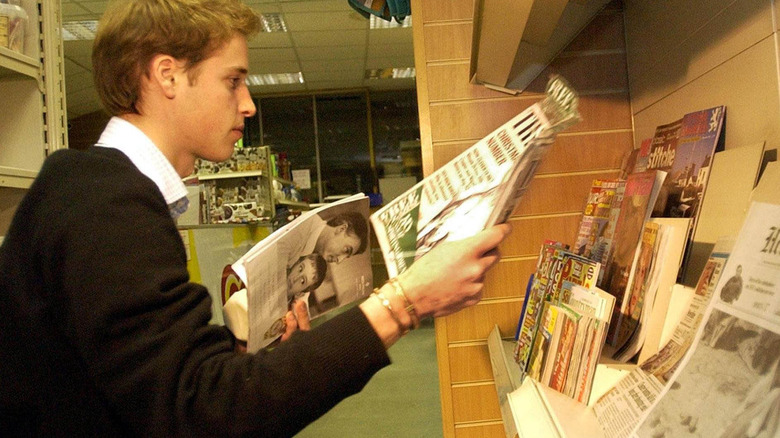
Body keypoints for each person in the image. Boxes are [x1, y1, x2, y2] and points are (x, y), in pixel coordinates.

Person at [0, 1, 511, 436]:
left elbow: (136, 383)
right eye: (233, 81)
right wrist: (405, 301)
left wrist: (239, 354)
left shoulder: (97, 190)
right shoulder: (105, 203)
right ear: (167, 75)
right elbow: (201, 414)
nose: (248, 104)